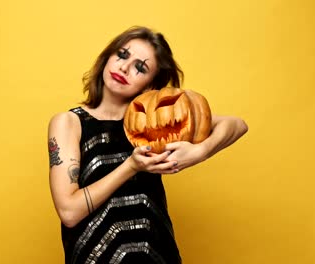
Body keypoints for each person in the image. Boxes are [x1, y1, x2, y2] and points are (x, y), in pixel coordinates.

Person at [47, 25, 248, 264]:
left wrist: (200, 151)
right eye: (122, 55)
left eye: (140, 68)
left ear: (151, 85)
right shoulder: (70, 122)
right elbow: (69, 212)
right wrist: (131, 166)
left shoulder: (151, 125)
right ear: (108, 57)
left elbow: (237, 125)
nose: (124, 68)